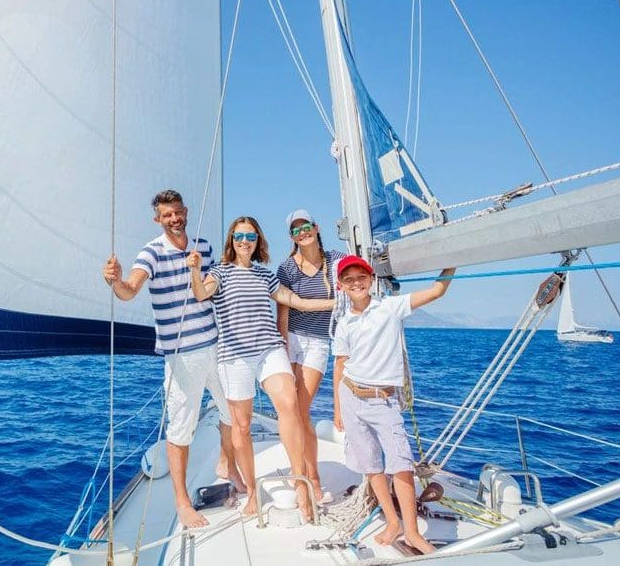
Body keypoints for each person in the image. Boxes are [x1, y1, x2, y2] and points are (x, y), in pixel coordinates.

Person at [102, 190, 244, 529]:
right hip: (182, 356)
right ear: (158, 219)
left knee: (233, 411)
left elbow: (213, 286)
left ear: (186, 212)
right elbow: (130, 291)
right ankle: (181, 501)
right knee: (181, 429)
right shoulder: (151, 253)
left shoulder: (204, 247)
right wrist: (115, 281)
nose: (174, 219)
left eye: (178, 212)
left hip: (217, 345)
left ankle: (227, 464)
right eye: (167, 215)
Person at [187, 216, 334, 519]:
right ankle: (253, 492)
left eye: (251, 236)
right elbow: (201, 293)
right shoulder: (220, 273)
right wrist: (194, 270)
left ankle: (301, 483)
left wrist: (337, 302)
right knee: (241, 426)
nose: (245, 241)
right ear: (232, 240)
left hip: (269, 349)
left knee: (290, 405)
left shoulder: (264, 275)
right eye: (239, 236)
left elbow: (297, 301)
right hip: (235, 356)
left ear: (257, 241)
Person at [331, 255, 455, 554]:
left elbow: (437, 291)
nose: (356, 282)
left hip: (383, 400)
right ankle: (392, 522)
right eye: (349, 279)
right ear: (341, 286)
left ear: (371, 279)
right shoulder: (344, 323)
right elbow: (340, 364)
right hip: (351, 396)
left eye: (362, 276)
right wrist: (337, 408)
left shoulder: (389, 307)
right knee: (372, 467)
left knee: (401, 467)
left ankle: (412, 533)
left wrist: (451, 259)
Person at [275, 209, 343, 503]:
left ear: (316, 228)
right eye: (295, 230)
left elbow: (362, 277)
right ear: (291, 237)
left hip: (318, 342)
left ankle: (310, 476)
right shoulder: (287, 268)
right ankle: (301, 471)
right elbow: (284, 311)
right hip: (291, 339)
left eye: (305, 227)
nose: (301, 232)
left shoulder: (336, 261)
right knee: (290, 410)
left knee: (302, 409)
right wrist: (282, 347)